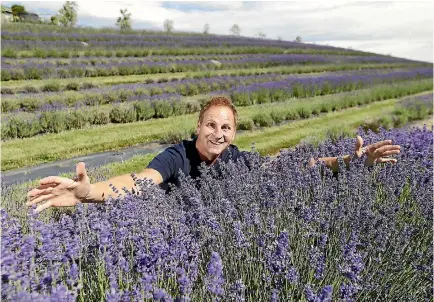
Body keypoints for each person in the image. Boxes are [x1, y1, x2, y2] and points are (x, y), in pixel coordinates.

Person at [26, 96, 401, 213]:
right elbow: (138, 182)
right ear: (198, 127)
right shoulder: (179, 155)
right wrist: (88, 193)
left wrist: (350, 163)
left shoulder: (241, 161)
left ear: (233, 134)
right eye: (211, 125)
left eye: (225, 128)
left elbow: (295, 167)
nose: (217, 133)